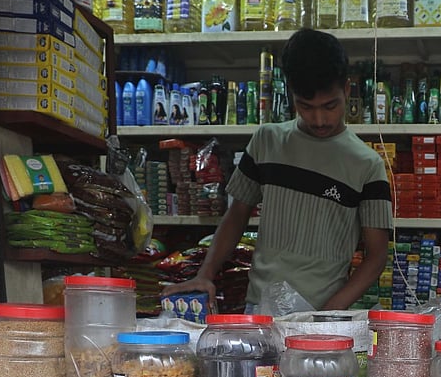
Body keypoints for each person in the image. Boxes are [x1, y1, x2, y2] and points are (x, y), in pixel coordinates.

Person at [164, 29, 392, 313]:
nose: (319, 119)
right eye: (305, 107)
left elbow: (377, 256)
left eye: (330, 106)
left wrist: (327, 315)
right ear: (291, 95)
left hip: (323, 319)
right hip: (258, 310)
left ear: (347, 89)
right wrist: (204, 275)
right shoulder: (266, 141)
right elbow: (236, 215)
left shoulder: (367, 164)